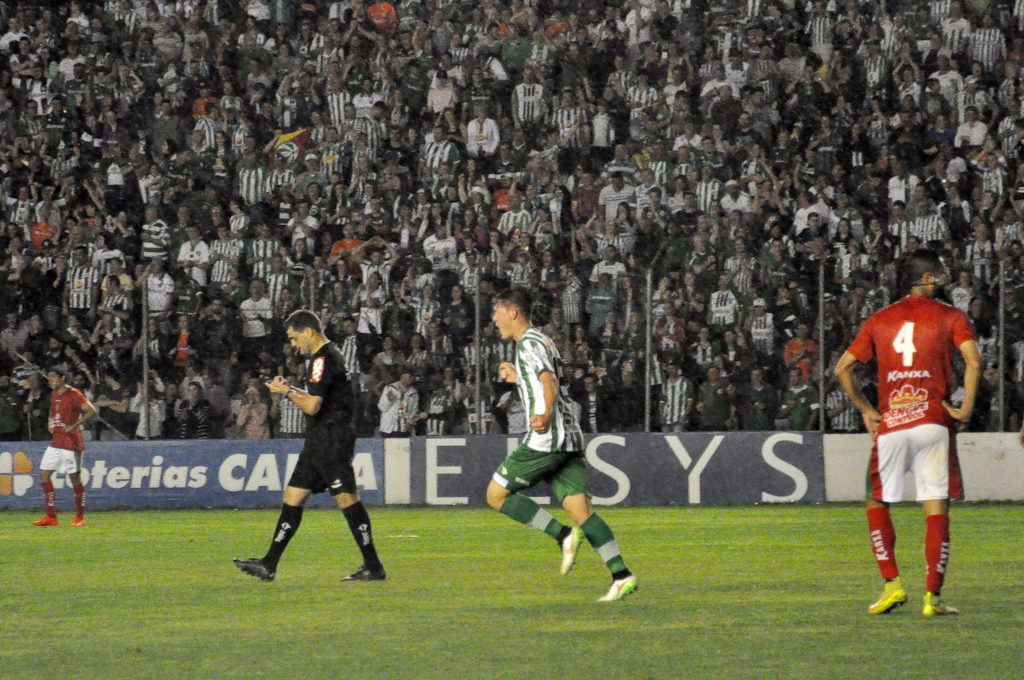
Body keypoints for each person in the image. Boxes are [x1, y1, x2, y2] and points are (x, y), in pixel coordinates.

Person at [834, 249, 980, 617]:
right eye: (941, 274)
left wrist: (868, 412)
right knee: (935, 504)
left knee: (876, 501)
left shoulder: (879, 319)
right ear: (928, 278)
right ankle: (933, 597)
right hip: (932, 419)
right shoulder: (951, 315)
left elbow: (842, 369)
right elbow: (974, 362)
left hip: (893, 421)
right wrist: (964, 409)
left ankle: (892, 585)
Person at [487, 288, 637, 601]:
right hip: (569, 436)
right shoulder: (542, 340)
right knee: (580, 510)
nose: (494, 318)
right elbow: (546, 377)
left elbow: (549, 382)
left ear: (513, 312)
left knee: (496, 495)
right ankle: (621, 574)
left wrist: (542, 414)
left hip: (547, 438)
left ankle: (563, 535)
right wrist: (518, 378)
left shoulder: (528, 342)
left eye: (497, 311)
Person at [234, 310, 385, 583]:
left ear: (309, 332)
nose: (293, 345)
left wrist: (287, 392)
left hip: (330, 438)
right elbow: (318, 399)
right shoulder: (328, 356)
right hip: (320, 438)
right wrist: (290, 388)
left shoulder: (322, 359)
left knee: (346, 499)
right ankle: (269, 563)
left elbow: (314, 406)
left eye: (294, 338)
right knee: (293, 497)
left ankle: (373, 566)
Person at [33, 367, 97, 527]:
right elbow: (53, 411)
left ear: (62, 378)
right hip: (56, 441)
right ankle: (51, 517)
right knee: (44, 474)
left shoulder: (73, 393)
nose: (50, 380)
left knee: (74, 478)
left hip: (71, 442)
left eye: (53, 377)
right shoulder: (54, 394)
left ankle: (79, 518)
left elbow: (92, 411)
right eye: (49, 377)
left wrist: (74, 425)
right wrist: (50, 422)